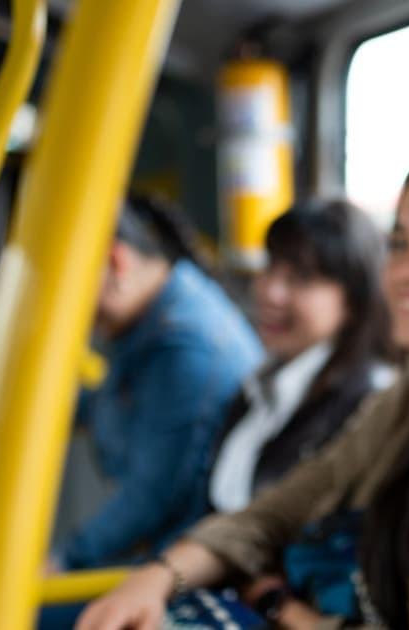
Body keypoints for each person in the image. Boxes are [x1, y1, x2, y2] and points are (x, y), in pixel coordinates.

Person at [77, 146, 409, 630]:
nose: (406, 272)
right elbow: (289, 502)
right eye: (399, 243)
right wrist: (160, 575)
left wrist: (288, 613)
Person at [53, 194, 265, 572]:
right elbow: (105, 401)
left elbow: (149, 500)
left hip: (186, 569)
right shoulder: (153, 323)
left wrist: (60, 563)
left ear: (116, 262)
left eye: (65, 290)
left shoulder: (186, 348)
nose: (68, 312)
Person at [207, 199, 391, 515]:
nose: (270, 292)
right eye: (269, 267)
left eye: (300, 278)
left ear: (353, 299)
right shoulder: (260, 386)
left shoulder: (366, 405)